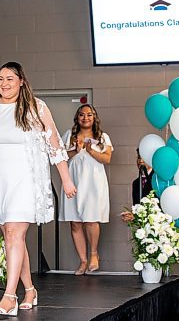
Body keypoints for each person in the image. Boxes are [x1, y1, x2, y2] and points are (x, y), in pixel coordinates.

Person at [0, 61, 76, 316]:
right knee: (12, 237)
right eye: (0, 79)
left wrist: (66, 180)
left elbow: (54, 144)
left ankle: (9, 296)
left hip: (24, 179)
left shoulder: (36, 107)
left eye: (10, 79)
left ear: (21, 81)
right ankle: (30, 289)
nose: (4, 84)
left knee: (14, 233)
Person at [59, 104, 112, 275]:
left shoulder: (102, 137)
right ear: (77, 118)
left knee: (91, 218)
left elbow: (107, 158)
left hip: (93, 183)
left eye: (89, 115)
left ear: (94, 117)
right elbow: (61, 157)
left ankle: (94, 253)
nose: (85, 118)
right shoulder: (69, 135)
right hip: (73, 181)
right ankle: (82, 261)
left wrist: (90, 151)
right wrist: (76, 149)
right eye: (82, 115)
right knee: (75, 222)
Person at [121, 148, 154, 222]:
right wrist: (132, 215)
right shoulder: (135, 183)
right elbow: (137, 206)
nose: (141, 161)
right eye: (139, 157)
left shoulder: (157, 179)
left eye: (144, 158)